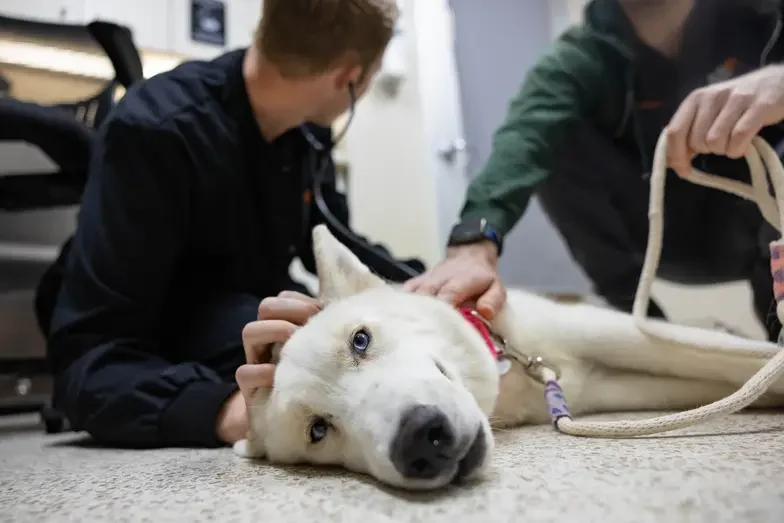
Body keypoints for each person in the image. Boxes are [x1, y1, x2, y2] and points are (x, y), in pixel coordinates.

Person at [35, 0, 424, 449]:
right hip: (147, 338)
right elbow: (87, 363)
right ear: (349, 78)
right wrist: (233, 413)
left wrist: (418, 287)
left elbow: (334, 238)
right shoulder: (155, 130)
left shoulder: (308, 133)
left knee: (314, 325)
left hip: (242, 313)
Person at [406, 0, 784, 340]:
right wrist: (473, 245)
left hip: (765, 229)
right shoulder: (578, 58)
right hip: (656, 237)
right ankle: (653, 340)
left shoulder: (764, 14)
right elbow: (524, 138)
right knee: (555, 135)